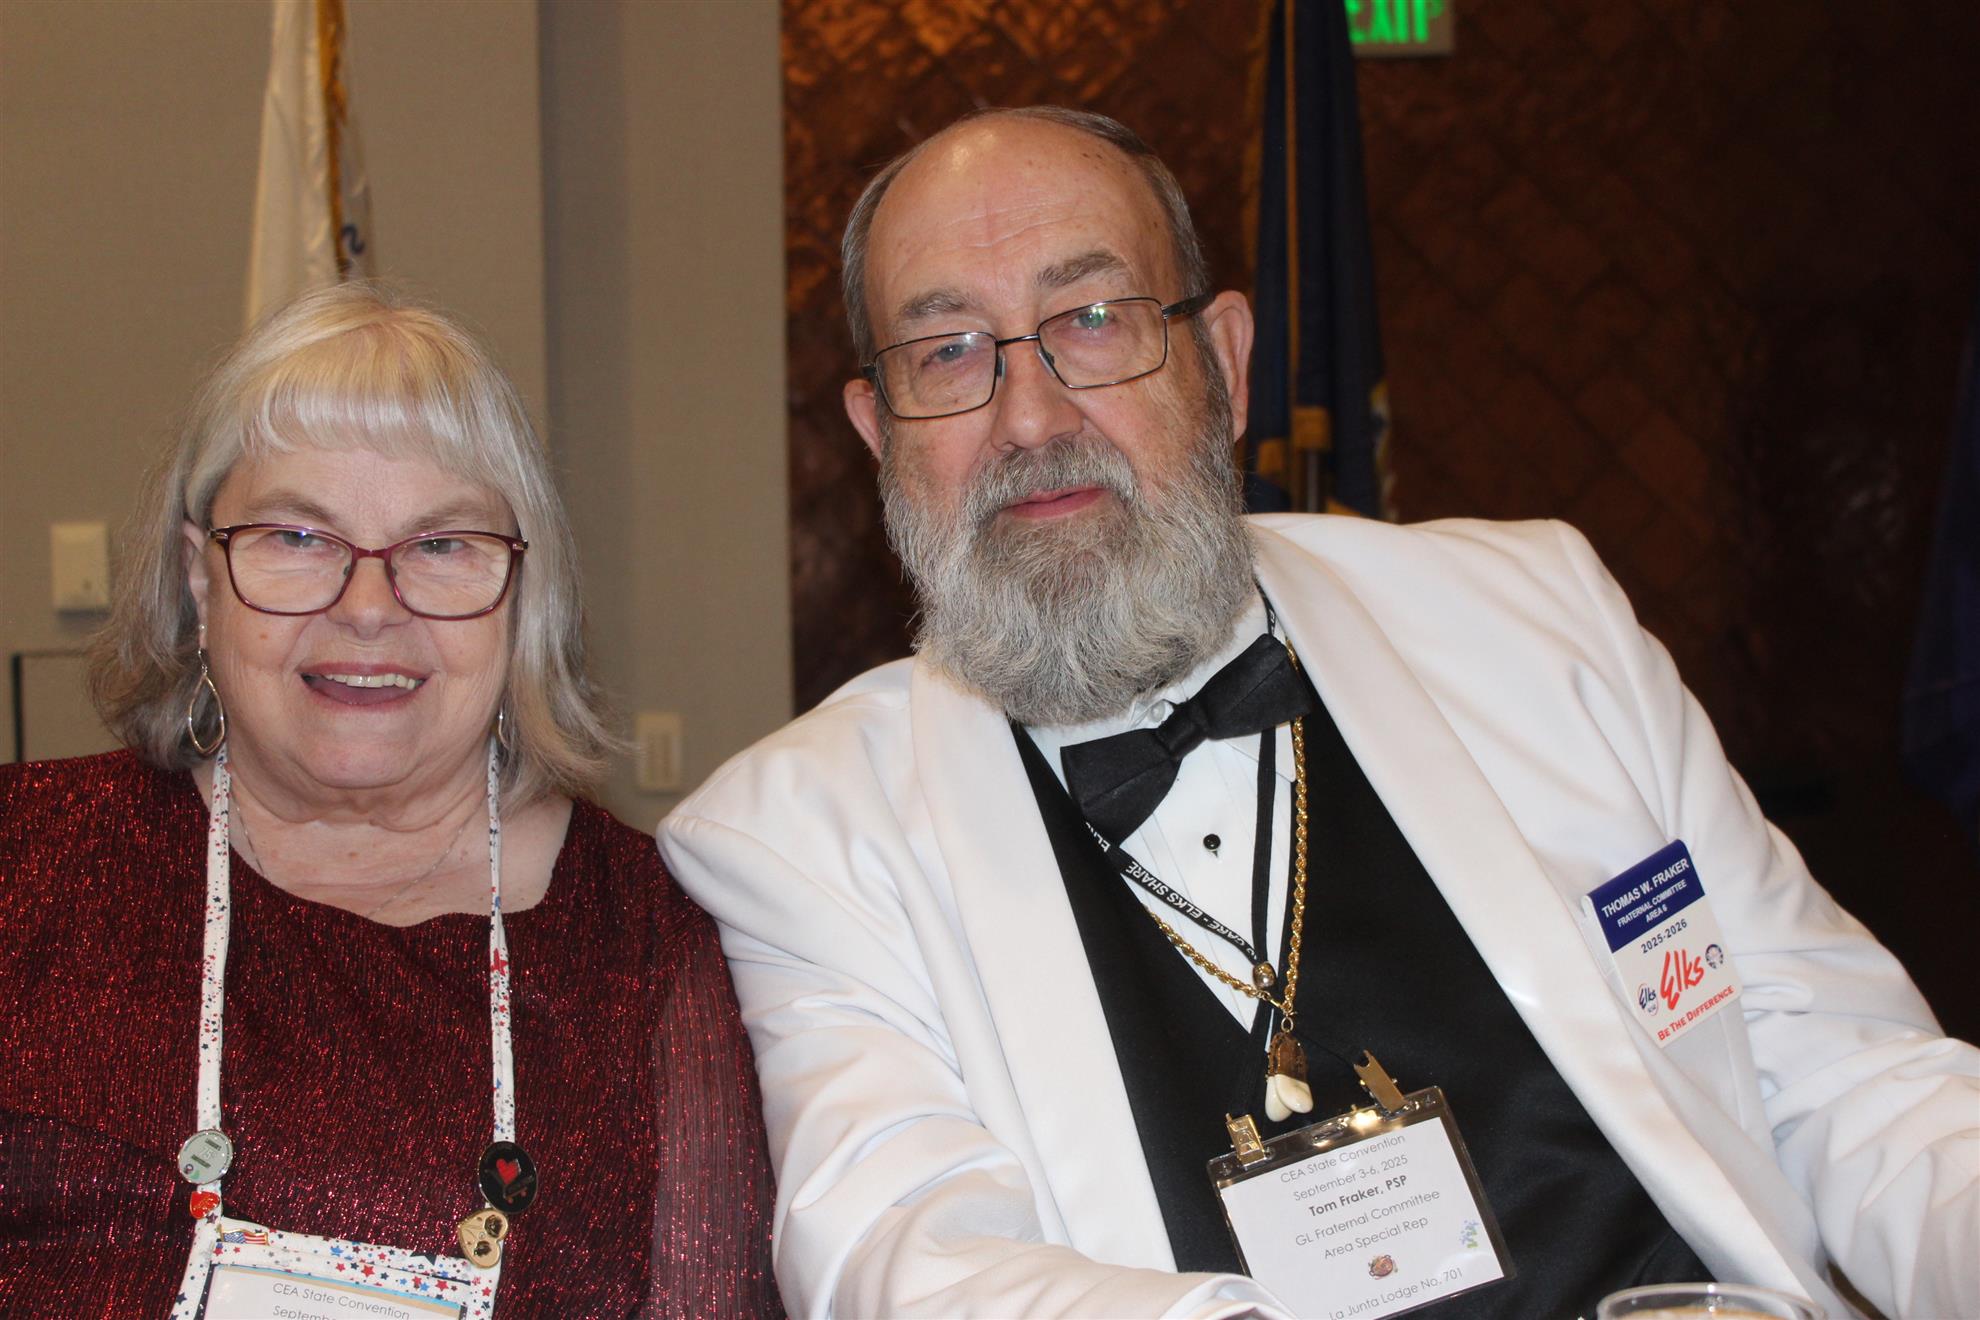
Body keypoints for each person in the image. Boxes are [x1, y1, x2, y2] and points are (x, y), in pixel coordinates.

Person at [659, 107, 1979, 1319]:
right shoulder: (795, 840)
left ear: (1224, 364)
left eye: (1095, 318)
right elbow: (912, 1267)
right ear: (879, 431)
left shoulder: (1539, 618)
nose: (1031, 415)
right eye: (947, 352)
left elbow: (1841, 1068)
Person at [0, 283, 780, 1317]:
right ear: (200, 577)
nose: (368, 608)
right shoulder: (25, 861)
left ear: (521, 596)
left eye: (440, 546)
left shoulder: (658, 948)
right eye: (298, 537)